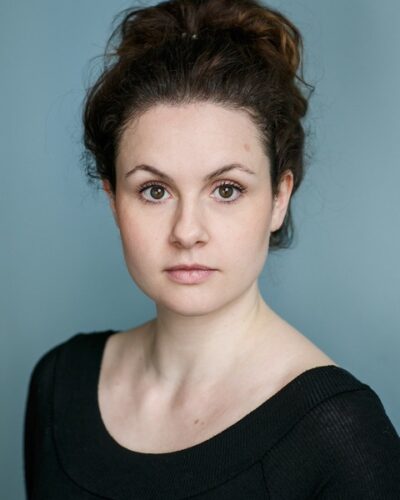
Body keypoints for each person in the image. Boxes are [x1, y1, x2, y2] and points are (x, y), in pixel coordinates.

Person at [23, 0, 400, 498]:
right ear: (114, 200)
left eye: (226, 189)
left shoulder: (340, 432)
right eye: (154, 190)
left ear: (279, 198)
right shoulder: (59, 386)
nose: (187, 231)